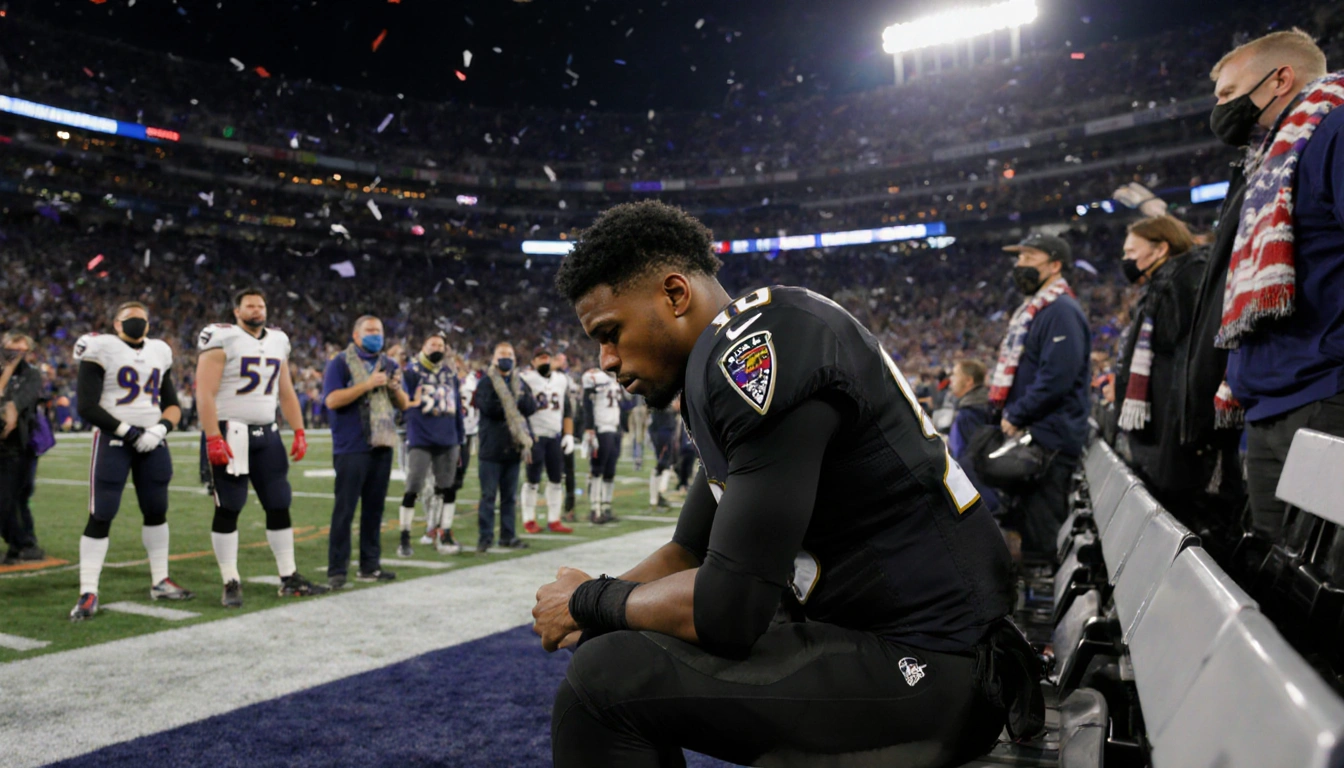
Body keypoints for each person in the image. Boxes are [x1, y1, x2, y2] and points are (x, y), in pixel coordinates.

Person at [533, 201, 1035, 767]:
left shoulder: (752, 355)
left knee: (602, 684)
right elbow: (687, 551)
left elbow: (729, 609)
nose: (603, 359)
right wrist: (590, 611)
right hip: (914, 647)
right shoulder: (736, 348)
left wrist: (590, 598)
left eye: (610, 332)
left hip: (935, 665)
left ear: (674, 294)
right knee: (616, 645)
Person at [1207, 30, 1344, 540]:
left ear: (1280, 78)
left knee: (1322, 591)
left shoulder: (1334, 130)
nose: (1219, 107)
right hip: (1269, 403)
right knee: (1278, 585)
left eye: (1227, 92)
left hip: (1325, 397)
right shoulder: (1269, 161)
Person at [195, 288, 326, 607]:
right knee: (229, 506)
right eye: (249, 305)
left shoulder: (278, 340)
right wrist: (213, 436)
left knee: (279, 502)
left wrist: (298, 430)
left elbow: (286, 392)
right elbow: (204, 392)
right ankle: (230, 579)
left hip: (267, 434)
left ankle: (289, 576)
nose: (257, 309)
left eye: (261, 305)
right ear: (236, 311)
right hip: (230, 432)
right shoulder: (221, 337)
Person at [70, 302, 194, 621]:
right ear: (115, 323)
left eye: (142, 319)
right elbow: (86, 405)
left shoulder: (159, 351)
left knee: (157, 510)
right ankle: (88, 590)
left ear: (149, 325)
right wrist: (127, 430)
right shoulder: (100, 347)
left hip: (152, 440)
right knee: (102, 512)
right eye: (130, 319)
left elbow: (172, 405)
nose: (137, 323)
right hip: (114, 439)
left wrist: (159, 429)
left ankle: (160, 580)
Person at [1112, 217, 1219, 526]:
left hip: (1172, 427)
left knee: (1179, 518)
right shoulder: (1165, 281)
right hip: (1162, 425)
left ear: (1160, 248)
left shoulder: (1180, 281)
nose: (1126, 260)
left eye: (1132, 250)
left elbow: (1177, 350)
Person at [991, 232, 1091, 560]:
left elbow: (1056, 378)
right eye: (1019, 258)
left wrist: (1016, 414)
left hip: (1050, 440)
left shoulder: (1060, 310)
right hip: (1039, 437)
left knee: (1042, 530)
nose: (1020, 265)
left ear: (1055, 264)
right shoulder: (1036, 309)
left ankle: (1044, 602)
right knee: (1026, 522)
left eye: (1029, 258)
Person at [322, 315, 409, 589]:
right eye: (370, 330)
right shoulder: (340, 362)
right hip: (351, 445)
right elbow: (332, 400)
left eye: (379, 330)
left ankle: (370, 566)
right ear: (356, 335)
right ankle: (337, 569)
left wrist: (394, 389)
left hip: (382, 443)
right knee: (345, 510)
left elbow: (404, 404)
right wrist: (367, 385)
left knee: (375, 509)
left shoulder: (389, 364)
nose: (376, 334)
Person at [397, 333, 466, 556]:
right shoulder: (411, 373)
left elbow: (456, 409)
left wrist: (460, 437)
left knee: (448, 488)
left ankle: (444, 532)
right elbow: (401, 403)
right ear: (423, 347)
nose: (437, 348)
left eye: (440, 345)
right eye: (432, 344)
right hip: (421, 439)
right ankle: (404, 536)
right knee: (413, 487)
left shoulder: (449, 374)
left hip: (448, 439)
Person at [472, 342, 537, 553]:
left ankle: (508, 536)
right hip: (491, 448)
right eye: (502, 354)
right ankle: (485, 537)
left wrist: (512, 400)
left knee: (510, 497)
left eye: (509, 354)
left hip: (513, 447)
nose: (506, 358)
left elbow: (531, 407)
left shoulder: (520, 383)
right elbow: (489, 408)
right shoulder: (486, 382)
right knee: (488, 497)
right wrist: (512, 400)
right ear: (493, 358)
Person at [519, 348, 576, 535]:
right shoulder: (526, 379)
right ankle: (528, 519)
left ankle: (554, 519)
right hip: (534, 436)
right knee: (532, 479)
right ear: (533, 362)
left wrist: (568, 434)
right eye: (540, 358)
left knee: (556, 479)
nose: (544, 361)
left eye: (547, 358)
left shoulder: (561, 379)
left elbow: (567, 409)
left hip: (554, 436)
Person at [0, 333, 45, 564]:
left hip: (18, 447)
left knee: (15, 498)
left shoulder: (31, 375)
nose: (15, 355)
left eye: (20, 351)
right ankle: (20, 543)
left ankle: (24, 543)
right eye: (10, 349)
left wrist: (10, 408)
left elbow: (21, 401)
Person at [946, 359, 1001, 517]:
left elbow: (974, 458)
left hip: (979, 497)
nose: (951, 380)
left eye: (955, 375)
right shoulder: (977, 405)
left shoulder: (971, 412)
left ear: (968, 381)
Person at [442, 358, 480, 545]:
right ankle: (436, 527)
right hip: (447, 435)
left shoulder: (474, 381)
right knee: (442, 484)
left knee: (456, 482)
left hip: (466, 435)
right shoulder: (444, 381)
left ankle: (444, 527)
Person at [581, 365, 625, 524]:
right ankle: (595, 509)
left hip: (614, 429)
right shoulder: (593, 377)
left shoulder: (615, 379)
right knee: (597, 469)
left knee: (610, 470)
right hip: (601, 428)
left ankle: (606, 507)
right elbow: (587, 404)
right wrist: (589, 428)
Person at [554, 352, 581, 521]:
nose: (563, 363)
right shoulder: (548, 379)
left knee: (568, 471)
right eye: (559, 360)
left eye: (564, 360)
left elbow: (571, 406)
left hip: (565, 426)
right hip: (551, 428)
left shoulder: (566, 379)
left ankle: (569, 508)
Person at [647, 403, 678, 509]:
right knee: (662, 464)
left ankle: (658, 496)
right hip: (661, 428)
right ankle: (654, 498)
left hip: (666, 427)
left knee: (667, 464)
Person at [628, 394, 649, 471]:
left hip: (640, 409)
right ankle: (638, 459)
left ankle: (638, 459)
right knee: (637, 437)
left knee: (639, 437)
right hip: (638, 409)